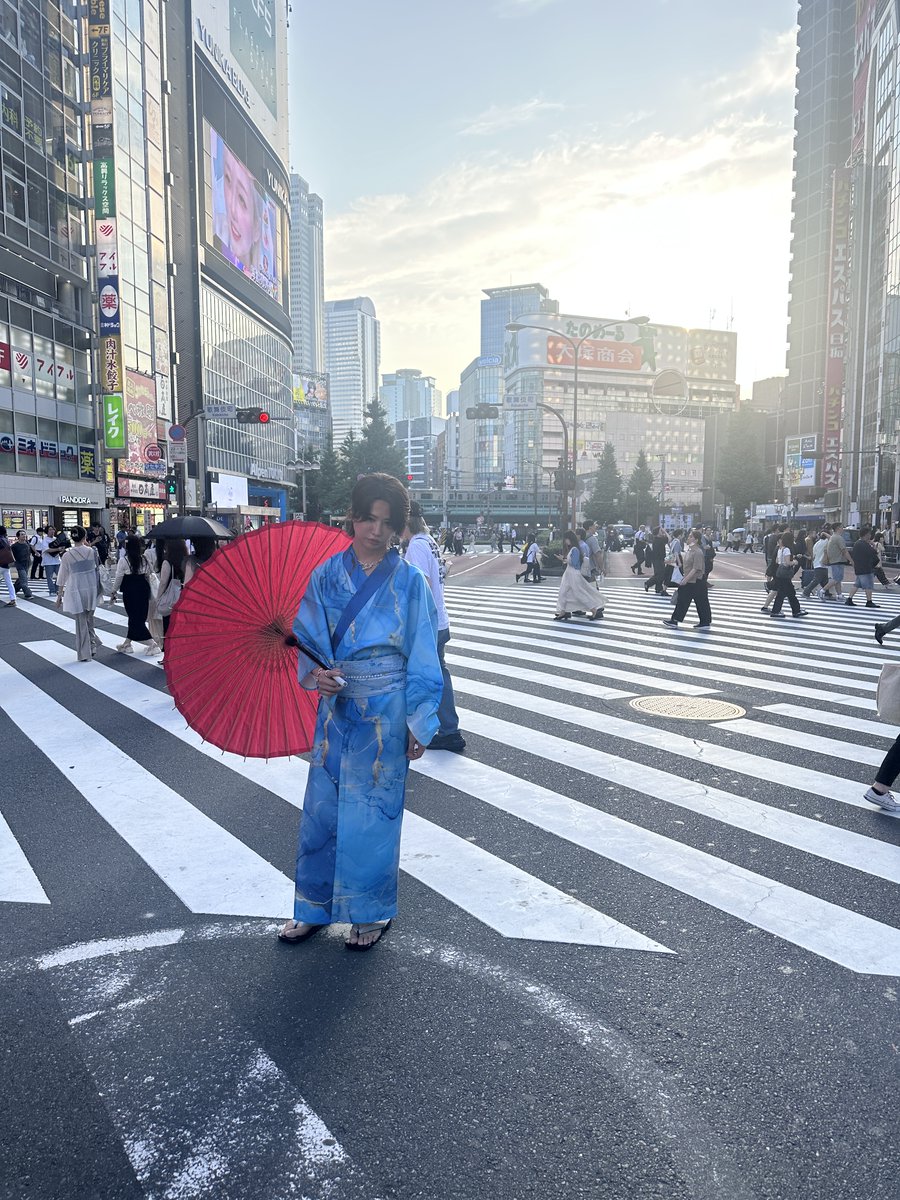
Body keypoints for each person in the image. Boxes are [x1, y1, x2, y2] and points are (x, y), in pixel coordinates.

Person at [279, 473, 443, 951]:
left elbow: (423, 653)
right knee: (321, 812)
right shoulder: (326, 574)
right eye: (368, 518)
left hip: (388, 712)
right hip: (336, 708)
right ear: (352, 517)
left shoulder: (409, 581)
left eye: (386, 523)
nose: (376, 530)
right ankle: (312, 907)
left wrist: (419, 720)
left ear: (397, 528)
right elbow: (309, 637)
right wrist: (317, 674)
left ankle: (371, 912)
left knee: (376, 813)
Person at [403, 500, 465, 753]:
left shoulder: (417, 547)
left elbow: (422, 586)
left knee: (426, 677)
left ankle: (445, 730)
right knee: (438, 674)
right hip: (439, 619)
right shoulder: (429, 541)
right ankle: (448, 729)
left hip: (427, 622)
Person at [54, 526, 99, 661]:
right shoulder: (92, 552)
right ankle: (93, 643)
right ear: (85, 537)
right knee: (89, 618)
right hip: (91, 589)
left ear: (72, 538)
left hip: (76, 590)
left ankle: (85, 653)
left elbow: (62, 578)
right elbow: (97, 570)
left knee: (80, 622)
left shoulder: (67, 555)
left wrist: (59, 596)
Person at [113, 535, 160, 655]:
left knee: (134, 618)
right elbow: (150, 572)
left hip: (130, 589)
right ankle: (127, 644)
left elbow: (118, 577)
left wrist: (113, 591)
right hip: (143, 589)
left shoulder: (124, 560)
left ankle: (152, 644)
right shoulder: (143, 558)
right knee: (138, 617)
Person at [662, 528, 712, 630]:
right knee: (684, 600)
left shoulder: (698, 552)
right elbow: (684, 565)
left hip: (697, 581)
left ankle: (704, 622)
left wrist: (685, 579)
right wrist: (671, 563)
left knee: (700, 601)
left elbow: (696, 568)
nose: (688, 538)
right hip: (691, 580)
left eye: (690, 536)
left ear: (696, 540)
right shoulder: (690, 550)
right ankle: (676, 620)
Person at [554, 530, 604, 621]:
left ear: (569, 539)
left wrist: (564, 559)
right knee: (564, 592)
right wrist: (564, 559)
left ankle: (594, 610)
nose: (565, 541)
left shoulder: (575, 549)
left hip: (573, 574)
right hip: (569, 574)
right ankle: (563, 611)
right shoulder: (573, 549)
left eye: (566, 539)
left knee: (579, 593)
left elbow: (575, 563)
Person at [154, 538, 188, 662]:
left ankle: (168, 656)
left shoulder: (167, 562)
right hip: (183, 597)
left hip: (170, 599)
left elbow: (163, 582)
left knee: (168, 627)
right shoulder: (186, 560)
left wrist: (159, 597)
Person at [767, 532, 809, 619]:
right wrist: (794, 562)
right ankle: (777, 611)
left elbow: (777, 561)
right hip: (785, 574)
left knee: (790, 593)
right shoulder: (787, 549)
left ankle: (796, 610)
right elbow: (787, 563)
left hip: (780, 572)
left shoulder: (780, 549)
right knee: (783, 593)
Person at [844, 525, 879, 608]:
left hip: (859, 568)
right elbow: (873, 553)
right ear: (866, 534)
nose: (870, 536)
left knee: (857, 584)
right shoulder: (863, 544)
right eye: (869, 534)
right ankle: (869, 601)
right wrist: (873, 546)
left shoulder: (857, 543)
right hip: (865, 568)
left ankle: (849, 599)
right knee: (868, 585)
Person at [823, 521, 851, 599]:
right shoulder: (838, 538)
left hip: (834, 561)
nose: (843, 529)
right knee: (837, 579)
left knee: (838, 579)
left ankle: (839, 595)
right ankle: (822, 590)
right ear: (838, 528)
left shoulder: (833, 537)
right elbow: (844, 551)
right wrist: (851, 561)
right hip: (838, 560)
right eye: (842, 527)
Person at [42, 525, 68, 597]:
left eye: (53, 530)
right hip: (48, 561)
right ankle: (52, 590)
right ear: (47, 531)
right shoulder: (45, 540)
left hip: (57, 560)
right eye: (50, 530)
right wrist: (57, 549)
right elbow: (47, 550)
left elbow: (61, 549)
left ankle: (57, 589)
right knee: (49, 577)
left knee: (60, 575)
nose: (52, 531)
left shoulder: (56, 539)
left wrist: (62, 549)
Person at [644, 526, 670, 595]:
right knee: (660, 575)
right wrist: (665, 532)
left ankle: (658, 588)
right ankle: (648, 583)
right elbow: (669, 539)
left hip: (657, 559)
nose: (662, 531)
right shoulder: (659, 539)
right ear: (658, 532)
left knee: (659, 574)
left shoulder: (656, 539)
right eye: (661, 531)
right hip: (658, 559)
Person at [11, 531, 33, 600]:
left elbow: (30, 553)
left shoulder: (27, 544)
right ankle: (28, 594)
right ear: (18, 537)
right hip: (19, 564)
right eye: (22, 534)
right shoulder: (14, 546)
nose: (24, 536)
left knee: (21, 579)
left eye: (24, 534)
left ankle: (14, 590)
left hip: (27, 564)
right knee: (24, 579)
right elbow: (11, 555)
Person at [0, 526, 16, 606]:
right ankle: (13, 599)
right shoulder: (6, 540)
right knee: (9, 583)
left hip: (0, 564)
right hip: (6, 564)